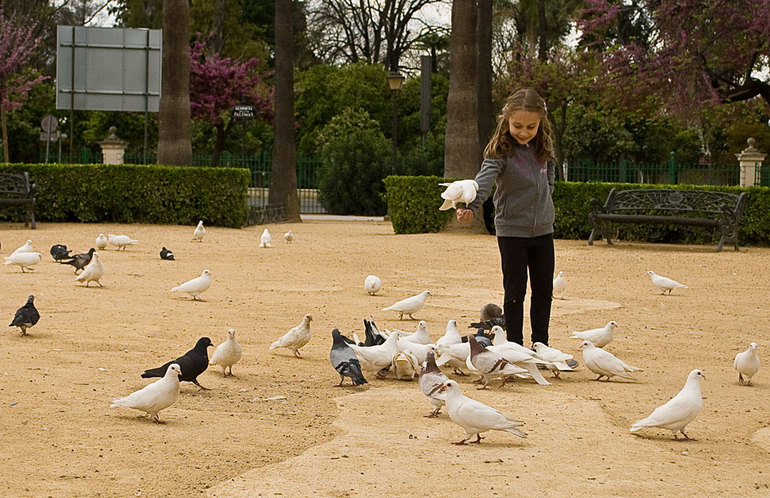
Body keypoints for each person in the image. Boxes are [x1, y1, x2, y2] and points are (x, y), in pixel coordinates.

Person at [457, 88, 555, 347]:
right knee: (515, 293)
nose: (524, 131)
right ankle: (515, 345)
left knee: (544, 291)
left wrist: (548, 198)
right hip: (512, 231)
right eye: (518, 125)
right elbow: (484, 181)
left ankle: (540, 345)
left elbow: (550, 174)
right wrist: (471, 205)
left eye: (531, 126)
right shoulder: (500, 150)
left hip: (543, 230)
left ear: (540, 122)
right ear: (507, 120)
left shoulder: (543, 146)